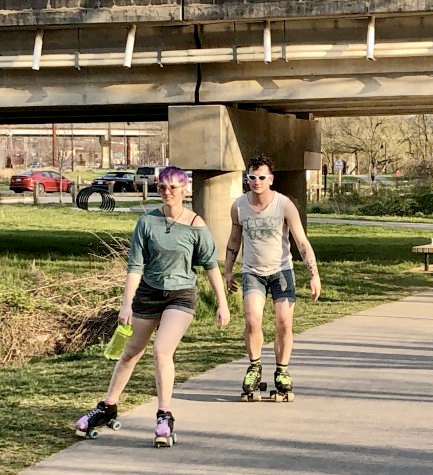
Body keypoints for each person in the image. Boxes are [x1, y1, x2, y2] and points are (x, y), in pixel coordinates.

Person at [75, 166, 231, 447]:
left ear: (184, 190)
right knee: (131, 353)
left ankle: (164, 415)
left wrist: (223, 303)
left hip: (180, 296)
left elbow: (210, 266)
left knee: (161, 351)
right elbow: (135, 266)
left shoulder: (196, 225)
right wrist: (126, 305)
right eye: (162, 187)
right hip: (148, 293)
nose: (167, 192)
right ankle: (108, 405)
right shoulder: (147, 222)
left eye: (173, 187)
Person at [224, 155, 321, 401]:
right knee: (253, 320)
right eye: (252, 177)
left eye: (262, 177)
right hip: (252, 272)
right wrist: (228, 269)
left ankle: (282, 371)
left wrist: (314, 274)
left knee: (284, 322)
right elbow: (234, 240)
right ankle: (254, 367)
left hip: (281, 271)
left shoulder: (284, 204)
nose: (256, 182)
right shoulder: (238, 206)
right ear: (247, 179)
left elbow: (301, 241)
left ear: (271, 179)